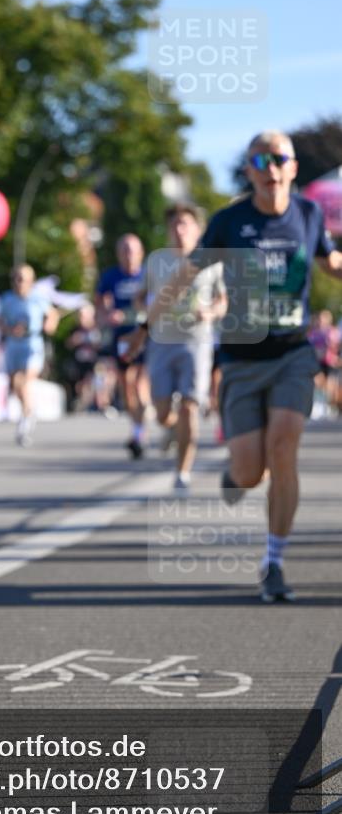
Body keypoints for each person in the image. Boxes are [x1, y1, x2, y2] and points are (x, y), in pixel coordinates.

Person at [126, 130, 342, 602]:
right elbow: (184, 275)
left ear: (292, 167)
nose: (269, 168)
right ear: (248, 171)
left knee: (284, 448)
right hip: (242, 360)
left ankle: (274, 561)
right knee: (249, 473)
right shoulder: (229, 222)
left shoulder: (308, 214)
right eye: (259, 161)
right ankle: (237, 474)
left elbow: (331, 262)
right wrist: (145, 325)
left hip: (292, 354)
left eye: (278, 159)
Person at [136, 204, 226, 493]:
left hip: (196, 341)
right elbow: (139, 297)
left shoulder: (211, 262)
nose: (179, 229)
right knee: (162, 412)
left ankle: (182, 472)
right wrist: (148, 310)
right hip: (162, 342)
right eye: (174, 224)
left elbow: (223, 301)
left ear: (197, 229)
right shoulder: (156, 261)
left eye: (185, 224)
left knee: (190, 406)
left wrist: (210, 313)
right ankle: (172, 427)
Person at [95, 234, 150, 456]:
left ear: (141, 253)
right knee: (127, 386)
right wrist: (107, 315)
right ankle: (137, 429)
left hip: (145, 335)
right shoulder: (111, 276)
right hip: (122, 338)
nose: (129, 255)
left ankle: (142, 431)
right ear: (119, 254)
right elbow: (99, 302)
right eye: (125, 250)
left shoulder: (148, 275)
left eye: (132, 250)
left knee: (141, 385)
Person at [0, 264, 59, 446]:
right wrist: (10, 329)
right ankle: (28, 409)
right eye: (15, 279)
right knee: (16, 383)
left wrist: (49, 326)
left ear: (30, 281)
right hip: (13, 345)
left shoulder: (38, 298)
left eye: (22, 279)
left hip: (32, 344)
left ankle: (25, 423)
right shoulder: (7, 299)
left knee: (23, 381)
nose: (18, 283)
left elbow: (52, 315)